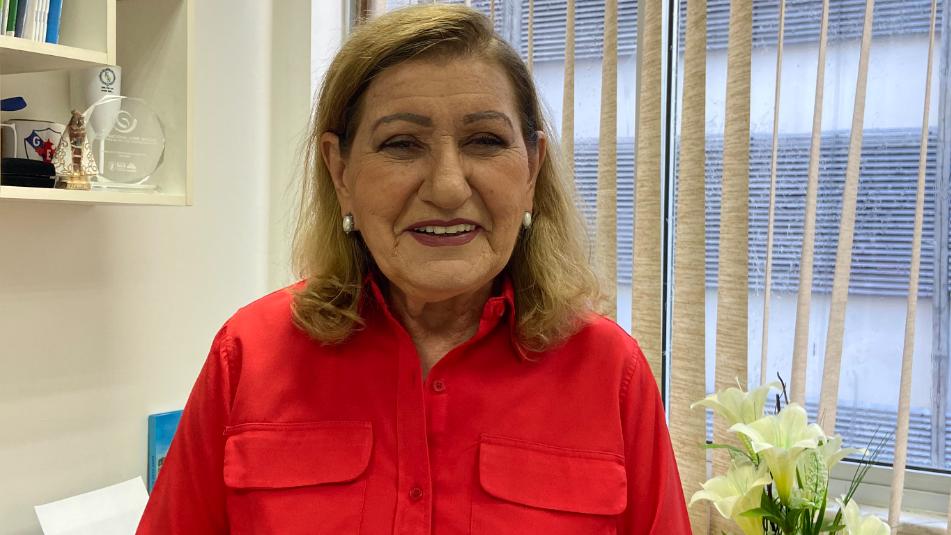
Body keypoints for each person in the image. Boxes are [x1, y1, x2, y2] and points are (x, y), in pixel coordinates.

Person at [137, 4, 691, 534]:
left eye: (485, 141)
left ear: (531, 170)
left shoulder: (609, 372)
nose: (447, 187)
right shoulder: (249, 356)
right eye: (402, 144)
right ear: (341, 172)